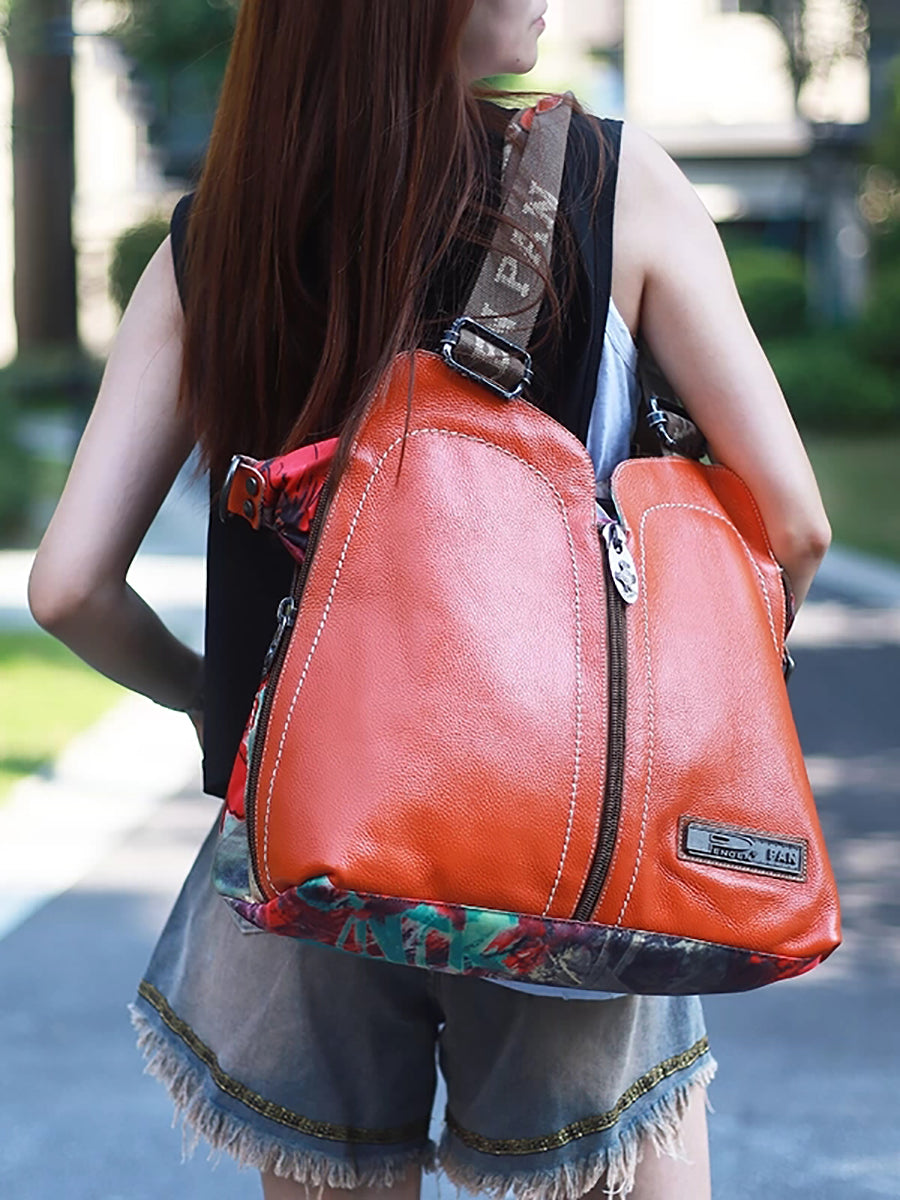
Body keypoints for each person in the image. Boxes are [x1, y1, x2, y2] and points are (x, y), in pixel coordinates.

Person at [28, 2, 832, 1198]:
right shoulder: (616, 186)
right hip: (570, 847)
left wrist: (237, 713)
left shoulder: (217, 243)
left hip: (305, 852)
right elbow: (796, 525)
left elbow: (70, 587)